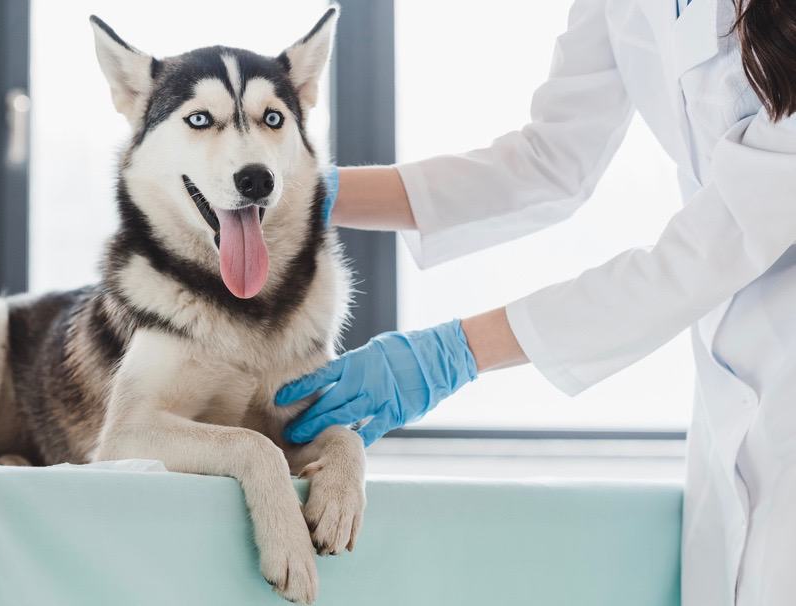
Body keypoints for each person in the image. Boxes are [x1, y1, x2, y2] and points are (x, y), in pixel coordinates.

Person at [274, 1, 796, 605]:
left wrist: (456, 351)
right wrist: (307, 194)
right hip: (732, 395)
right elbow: (549, 158)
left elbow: (712, 244)